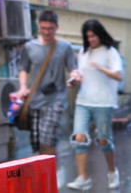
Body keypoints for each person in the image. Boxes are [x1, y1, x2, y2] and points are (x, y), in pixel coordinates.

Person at [66, 19, 124, 191]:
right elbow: (81, 74)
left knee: (104, 140)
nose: (90, 39)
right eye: (87, 37)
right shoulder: (84, 52)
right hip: (84, 101)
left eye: (93, 36)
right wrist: (75, 80)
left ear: (100, 34)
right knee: (79, 137)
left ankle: (112, 172)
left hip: (104, 103)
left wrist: (100, 68)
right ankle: (83, 177)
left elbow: (118, 76)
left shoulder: (110, 52)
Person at [13, 10, 81, 156]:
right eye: (43, 28)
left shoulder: (65, 47)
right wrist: (23, 87)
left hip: (55, 100)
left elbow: (73, 68)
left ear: (57, 27)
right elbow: (23, 68)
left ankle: (51, 175)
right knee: (37, 143)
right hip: (35, 100)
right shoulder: (29, 47)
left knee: (47, 139)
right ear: (39, 27)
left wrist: (74, 77)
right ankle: (42, 175)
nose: (47, 32)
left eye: (50, 28)